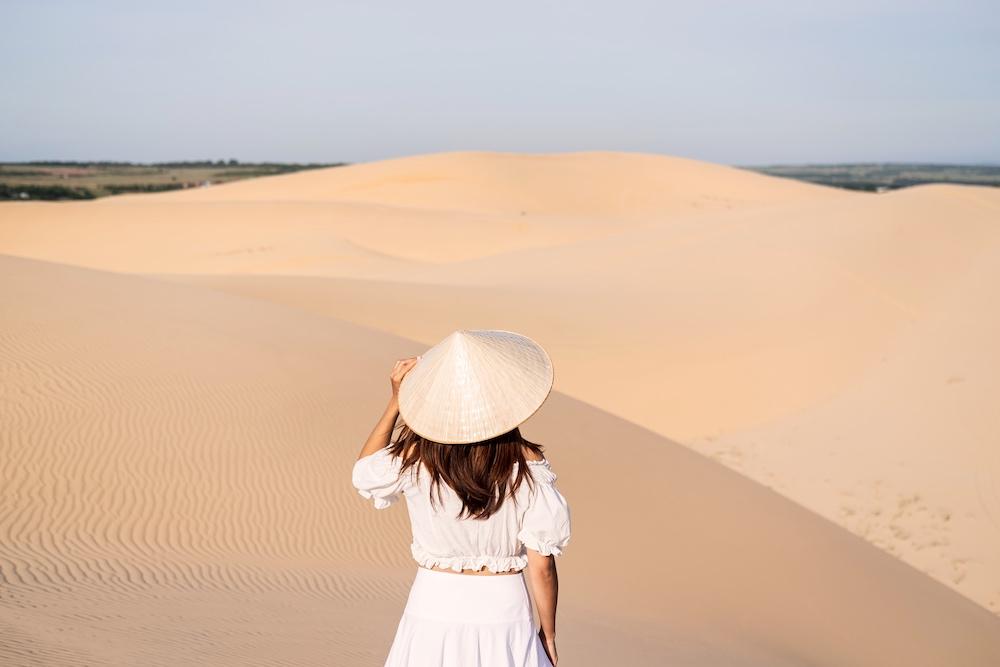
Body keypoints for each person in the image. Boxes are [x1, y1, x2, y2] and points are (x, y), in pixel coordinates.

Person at [352, 329, 571, 666]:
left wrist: (396, 401)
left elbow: (365, 473)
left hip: (433, 603)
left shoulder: (416, 457)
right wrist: (549, 635)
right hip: (505, 608)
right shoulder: (528, 464)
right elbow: (542, 565)